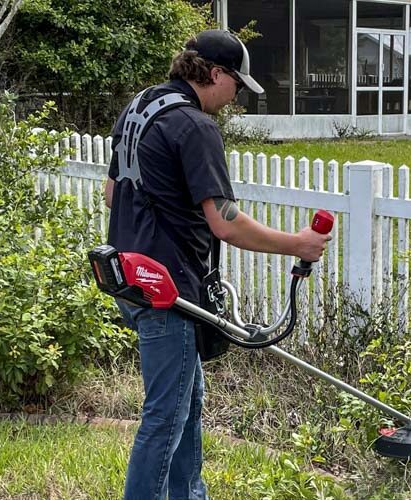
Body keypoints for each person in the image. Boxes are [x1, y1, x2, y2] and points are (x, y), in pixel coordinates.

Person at [104, 30, 331, 500]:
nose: (236, 97)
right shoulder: (194, 126)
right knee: (165, 417)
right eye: (237, 85)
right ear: (214, 73)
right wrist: (299, 245)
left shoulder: (140, 108)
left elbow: (112, 195)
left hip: (131, 279)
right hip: (169, 288)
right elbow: (225, 224)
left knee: (188, 402)